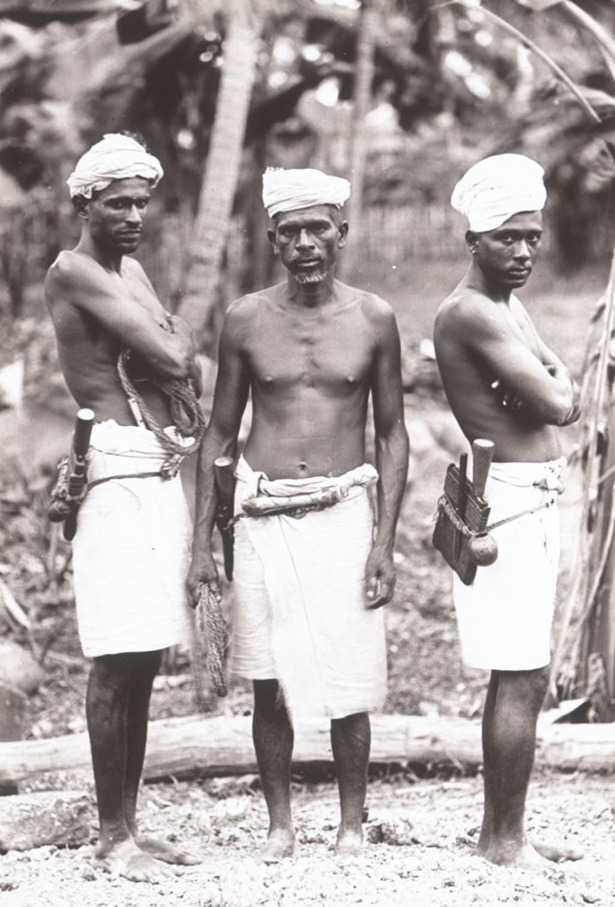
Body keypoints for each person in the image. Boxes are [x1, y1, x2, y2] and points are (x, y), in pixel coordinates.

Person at [188, 167, 409, 858]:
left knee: (350, 676)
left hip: (344, 509)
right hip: (262, 512)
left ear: (340, 232)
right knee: (268, 677)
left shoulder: (373, 317)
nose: (306, 243)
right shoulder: (246, 318)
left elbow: (392, 433)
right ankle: (280, 824)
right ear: (272, 239)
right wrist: (202, 544)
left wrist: (383, 541)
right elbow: (218, 434)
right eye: (291, 231)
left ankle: (350, 823)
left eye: (318, 228)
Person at [45, 133, 203, 882]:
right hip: (112, 462)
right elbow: (174, 359)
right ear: (84, 203)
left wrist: (164, 339)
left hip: (156, 462)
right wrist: (163, 339)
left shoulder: (130, 268)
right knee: (115, 655)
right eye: (118, 203)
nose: (135, 214)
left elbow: (178, 354)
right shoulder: (73, 270)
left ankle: (130, 824)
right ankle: (112, 836)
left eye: (142, 201)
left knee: (144, 653)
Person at [434, 154, 581, 868]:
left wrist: (550, 377)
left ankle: (506, 828)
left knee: (525, 669)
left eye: (531, 236)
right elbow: (560, 400)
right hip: (509, 502)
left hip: (535, 492)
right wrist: (549, 380)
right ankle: (501, 838)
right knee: (518, 672)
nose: (523, 250)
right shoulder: (466, 310)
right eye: (506, 238)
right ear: (473, 241)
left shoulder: (507, 303)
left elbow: (563, 382)